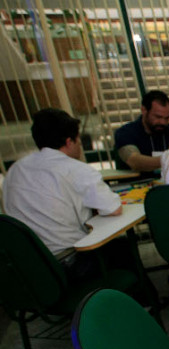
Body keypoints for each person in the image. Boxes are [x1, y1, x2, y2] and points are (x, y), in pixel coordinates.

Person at [3, 108, 124, 280]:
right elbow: (114, 209)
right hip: (67, 264)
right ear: (69, 142)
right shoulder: (76, 169)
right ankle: (141, 303)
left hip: (26, 269)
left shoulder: (15, 170)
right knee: (121, 248)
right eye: (79, 142)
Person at [114, 90, 169, 175]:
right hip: (136, 184)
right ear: (144, 110)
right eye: (158, 117)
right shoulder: (126, 132)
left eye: (166, 118)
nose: (163, 122)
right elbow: (134, 161)